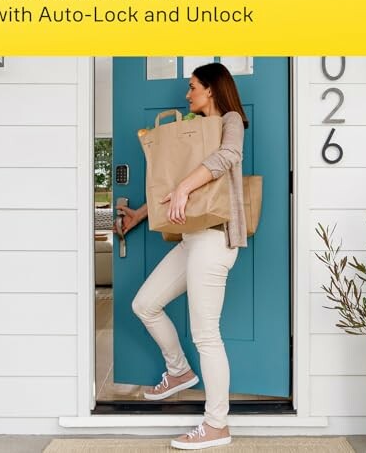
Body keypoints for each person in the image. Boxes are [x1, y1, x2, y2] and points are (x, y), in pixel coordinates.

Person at [116, 62, 248, 450]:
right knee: (144, 304)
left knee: (207, 335)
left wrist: (183, 189)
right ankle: (178, 371)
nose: (186, 94)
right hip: (191, 238)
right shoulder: (190, 129)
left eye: (192, 87)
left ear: (211, 89)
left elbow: (228, 156)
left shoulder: (231, 120)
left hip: (216, 238)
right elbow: (171, 182)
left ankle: (217, 425)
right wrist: (140, 214)